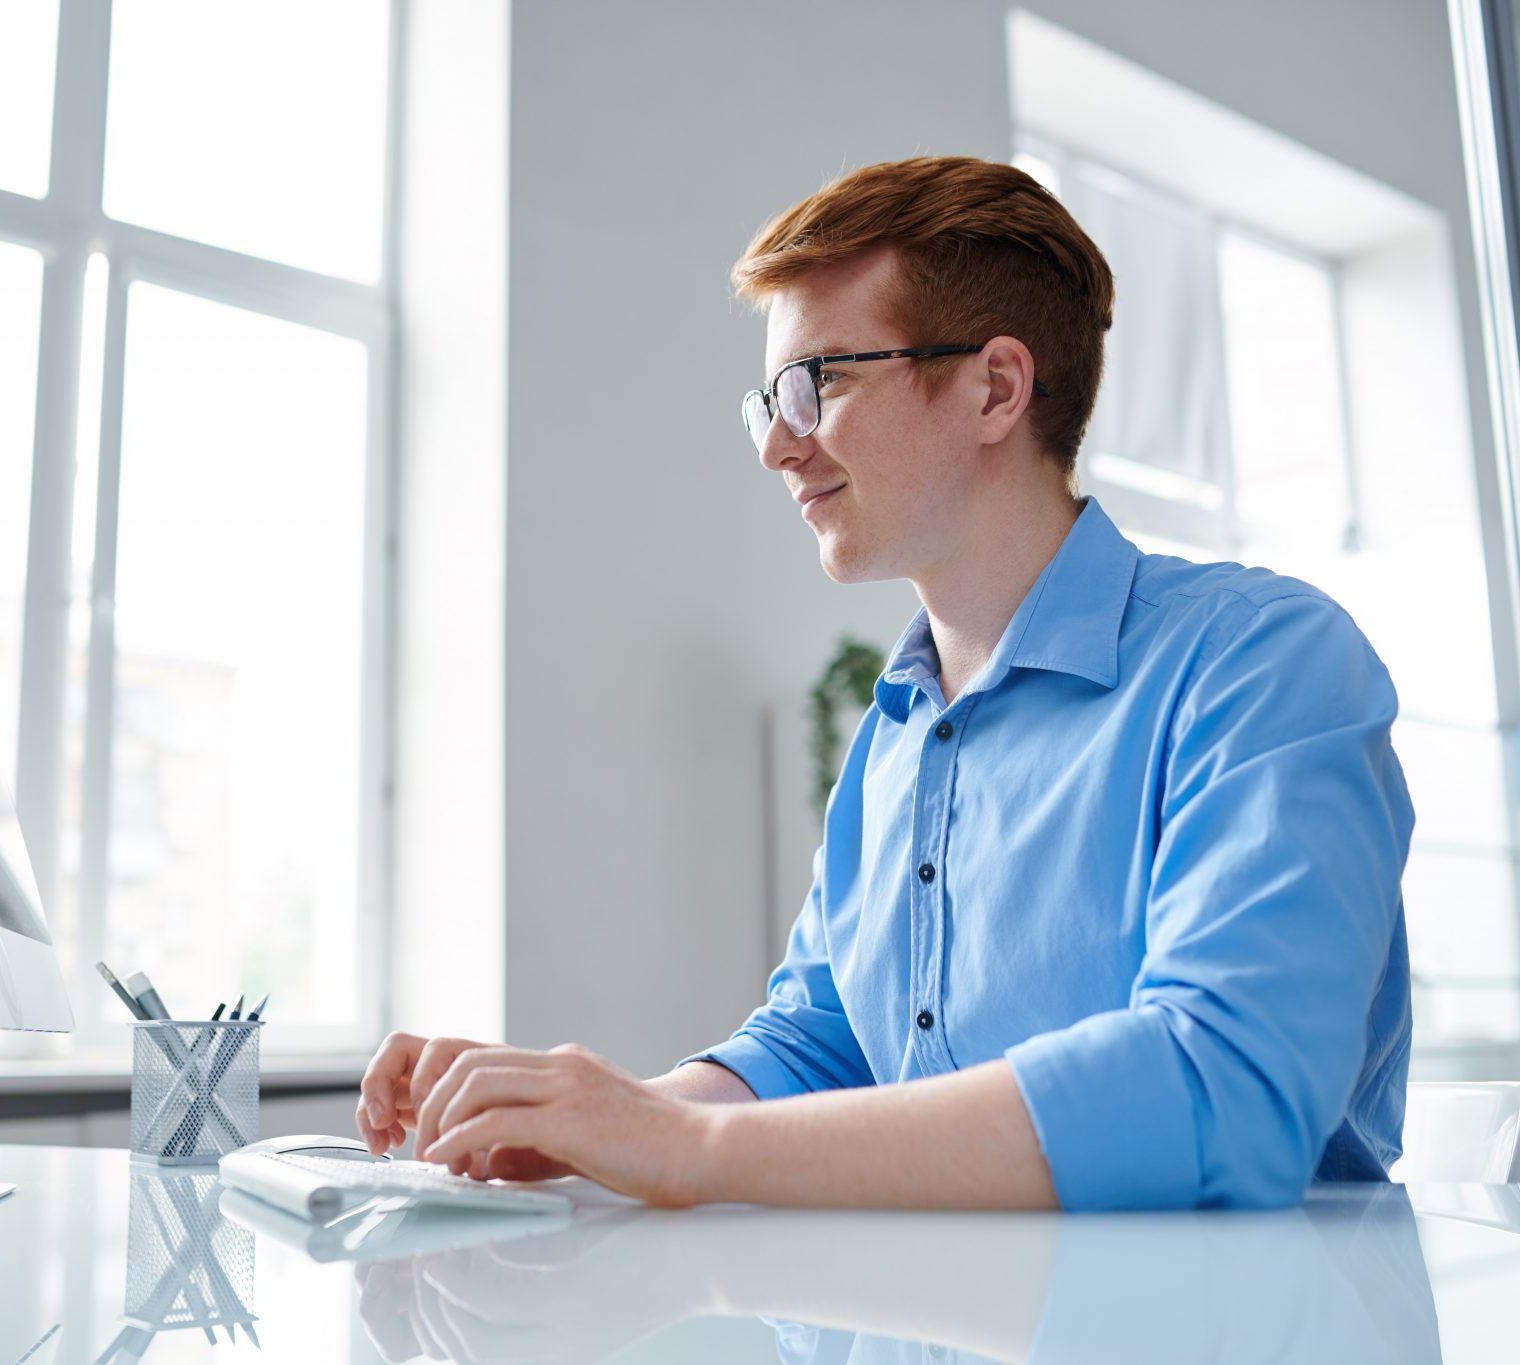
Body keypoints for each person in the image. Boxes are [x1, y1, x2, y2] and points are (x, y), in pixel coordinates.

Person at [356, 155, 1414, 1211]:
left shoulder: (1260, 663)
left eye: (819, 383)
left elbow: (1219, 1087)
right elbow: (819, 1046)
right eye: (767, 400)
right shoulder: (895, 733)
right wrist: (591, 1124)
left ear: (994, 388)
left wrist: (683, 1146)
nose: (777, 444)